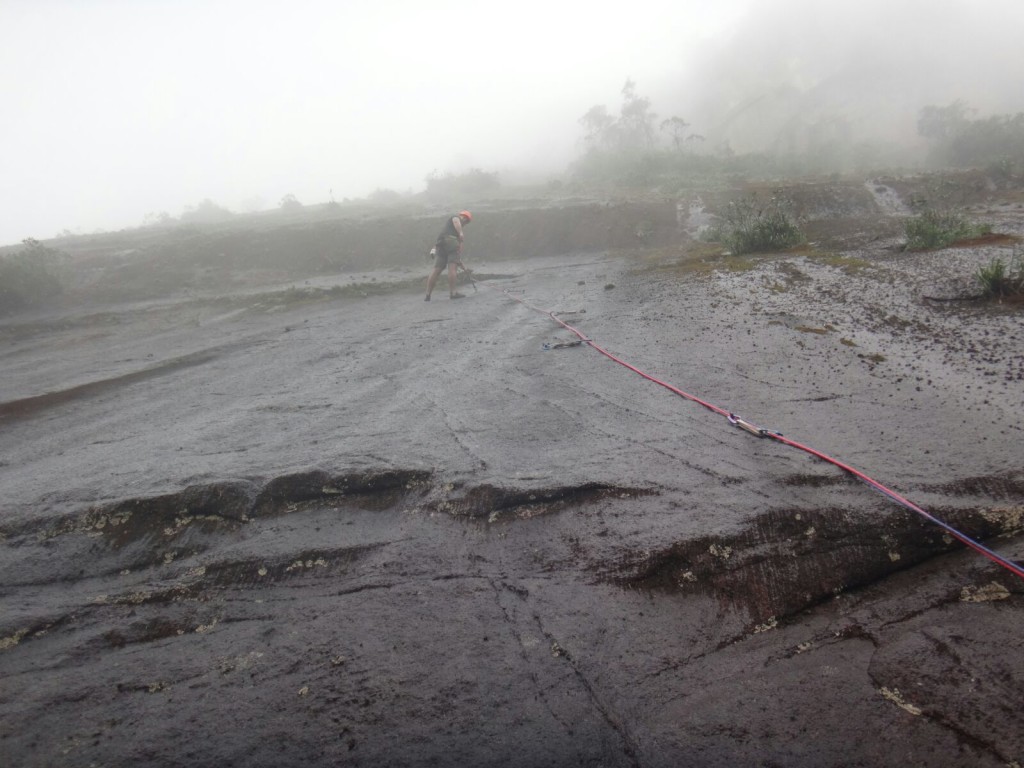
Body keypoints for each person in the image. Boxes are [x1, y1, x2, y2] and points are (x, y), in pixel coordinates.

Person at [425, 210, 472, 301]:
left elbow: (457, 251)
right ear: (465, 217)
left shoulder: (449, 229)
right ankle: (453, 293)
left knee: (437, 269)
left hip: (441, 244)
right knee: (452, 268)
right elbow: (456, 221)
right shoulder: (456, 218)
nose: (465, 223)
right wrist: (461, 233)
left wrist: (461, 263)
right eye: (466, 221)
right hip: (451, 242)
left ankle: (428, 295)